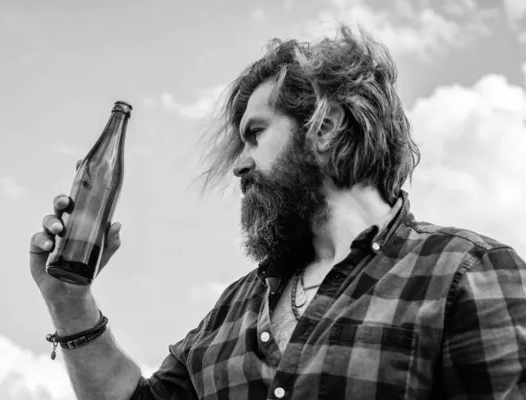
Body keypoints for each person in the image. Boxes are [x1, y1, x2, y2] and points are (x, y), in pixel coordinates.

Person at [29, 24, 526, 400]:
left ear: (324, 126)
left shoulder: (463, 271)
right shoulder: (234, 307)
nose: (239, 165)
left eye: (256, 135)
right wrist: (68, 300)